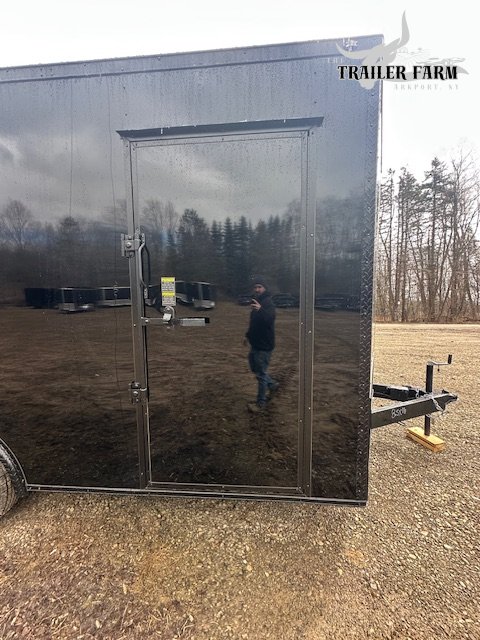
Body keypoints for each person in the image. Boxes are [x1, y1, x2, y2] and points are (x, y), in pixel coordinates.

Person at [244, 276, 279, 412]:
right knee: (255, 368)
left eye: (260, 287)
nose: (257, 289)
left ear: (265, 288)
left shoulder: (268, 302)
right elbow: (254, 323)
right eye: (255, 287)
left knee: (261, 374)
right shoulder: (257, 301)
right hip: (255, 343)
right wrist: (247, 336)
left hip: (264, 345)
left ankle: (261, 402)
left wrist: (260, 309)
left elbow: (269, 319)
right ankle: (272, 384)